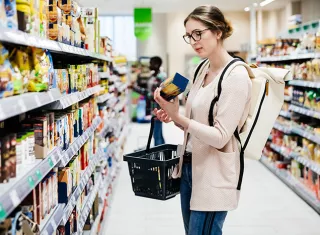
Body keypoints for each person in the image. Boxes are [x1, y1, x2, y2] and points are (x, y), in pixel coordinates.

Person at [153, 5, 252, 235]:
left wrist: (181, 118)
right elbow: (195, 121)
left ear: (218, 31)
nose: (194, 40)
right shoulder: (201, 68)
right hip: (189, 166)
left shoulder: (236, 76)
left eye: (199, 33)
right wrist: (174, 117)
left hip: (214, 173)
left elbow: (220, 136)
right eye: (189, 36)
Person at [130, 56, 167, 146]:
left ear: (157, 64)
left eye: (151, 63)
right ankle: (164, 152)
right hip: (153, 107)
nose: (149, 65)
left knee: (156, 135)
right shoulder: (153, 75)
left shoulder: (160, 78)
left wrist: (135, 88)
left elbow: (152, 95)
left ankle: (158, 156)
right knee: (159, 133)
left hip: (157, 108)